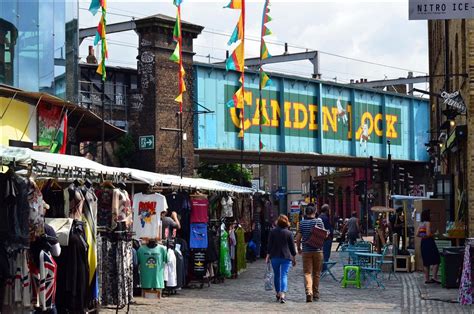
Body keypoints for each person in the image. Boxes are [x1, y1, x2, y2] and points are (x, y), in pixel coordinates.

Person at [295, 205, 325, 302]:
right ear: (315, 212)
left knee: (307, 273)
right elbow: (324, 234)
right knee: (316, 273)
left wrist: (299, 248)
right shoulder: (319, 221)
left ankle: (309, 291)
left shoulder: (302, 223)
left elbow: (298, 238)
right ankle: (315, 293)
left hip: (306, 251)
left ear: (305, 213)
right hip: (318, 250)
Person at [265, 215, 296, 304]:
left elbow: (269, 245)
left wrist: (267, 255)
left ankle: (278, 293)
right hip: (286, 257)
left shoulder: (272, 232)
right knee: (284, 275)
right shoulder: (289, 233)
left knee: (277, 275)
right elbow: (292, 247)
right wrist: (294, 257)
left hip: (274, 256)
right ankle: (283, 294)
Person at [417, 209, 440, 284]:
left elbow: (417, 234)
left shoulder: (421, 223)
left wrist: (423, 236)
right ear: (427, 215)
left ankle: (427, 279)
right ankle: (434, 277)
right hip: (429, 242)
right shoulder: (427, 223)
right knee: (436, 259)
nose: (430, 215)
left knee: (426, 261)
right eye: (429, 214)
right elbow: (428, 234)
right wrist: (434, 234)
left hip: (423, 243)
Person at [319, 204, 333, 271]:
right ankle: (324, 269)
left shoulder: (320, 217)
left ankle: (323, 268)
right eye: (329, 209)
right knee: (326, 254)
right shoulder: (325, 218)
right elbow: (327, 230)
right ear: (327, 210)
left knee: (323, 254)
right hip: (326, 239)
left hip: (322, 239)